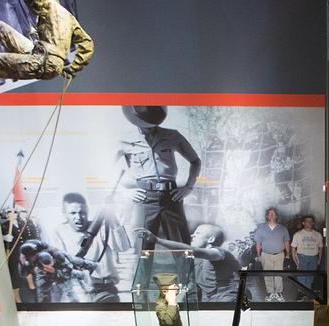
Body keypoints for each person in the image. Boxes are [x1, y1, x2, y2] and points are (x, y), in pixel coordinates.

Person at [116, 106, 201, 254]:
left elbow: (195, 161)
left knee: (182, 246)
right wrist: (124, 192)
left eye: (151, 123)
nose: (148, 127)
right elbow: (103, 167)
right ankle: (143, 278)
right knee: (143, 249)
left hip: (171, 197)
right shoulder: (125, 140)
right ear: (135, 121)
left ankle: (187, 277)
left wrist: (188, 187)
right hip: (145, 198)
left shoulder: (172, 136)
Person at [50, 192, 127, 302]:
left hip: (104, 290)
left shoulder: (100, 227)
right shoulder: (59, 232)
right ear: (64, 213)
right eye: (73, 213)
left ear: (87, 211)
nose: (79, 217)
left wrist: (111, 215)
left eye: (82, 212)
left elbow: (123, 247)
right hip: (76, 291)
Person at [136, 224, 240, 302]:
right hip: (210, 301)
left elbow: (193, 251)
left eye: (198, 233)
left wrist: (157, 240)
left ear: (211, 239)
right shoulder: (196, 261)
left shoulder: (218, 253)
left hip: (229, 299)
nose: (192, 235)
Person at [253, 207, 290, 302]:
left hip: (279, 255)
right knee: (268, 273)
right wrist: (259, 255)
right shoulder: (261, 229)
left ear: (276, 216)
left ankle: (278, 293)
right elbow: (258, 243)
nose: (271, 215)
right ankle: (270, 293)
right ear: (266, 216)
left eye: (273, 213)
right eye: (269, 213)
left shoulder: (282, 228)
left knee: (279, 274)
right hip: (266, 255)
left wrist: (288, 253)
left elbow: (286, 241)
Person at [290, 214, 322, 297]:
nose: (309, 223)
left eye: (311, 221)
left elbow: (320, 248)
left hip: (313, 257)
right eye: (307, 221)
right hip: (302, 257)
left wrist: (319, 259)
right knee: (301, 276)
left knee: (310, 276)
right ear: (303, 223)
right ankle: (301, 293)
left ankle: (307, 292)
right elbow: (293, 248)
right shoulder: (298, 234)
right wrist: (295, 260)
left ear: (313, 223)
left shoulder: (318, 235)